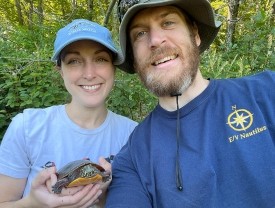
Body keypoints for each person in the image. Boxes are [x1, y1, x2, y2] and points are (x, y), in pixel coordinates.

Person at [106, 0, 275, 207]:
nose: (156, 40)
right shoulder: (133, 159)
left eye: (168, 22)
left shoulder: (267, 92)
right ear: (133, 58)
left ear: (195, 34)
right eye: (140, 33)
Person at [0, 19, 137, 207]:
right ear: (61, 71)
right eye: (74, 61)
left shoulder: (133, 136)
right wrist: (33, 203)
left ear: (113, 68)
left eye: (100, 59)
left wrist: (103, 194)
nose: (89, 74)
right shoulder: (27, 127)